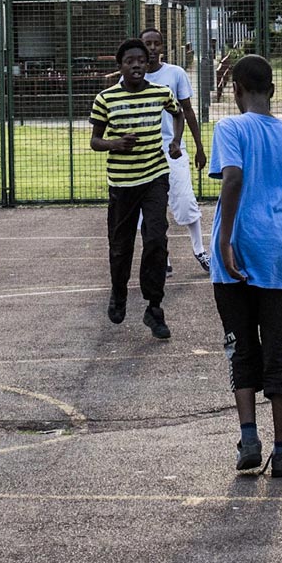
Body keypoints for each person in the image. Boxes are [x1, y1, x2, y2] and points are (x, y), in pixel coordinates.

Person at [208, 53, 282, 477]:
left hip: (233, 252)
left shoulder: (230, 127)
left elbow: (232, 178)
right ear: (272, 89)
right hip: (278, 256)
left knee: (241, 346)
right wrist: (279, 235)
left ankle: (248, 438)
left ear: (235, 90)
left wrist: (226, 239)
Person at [89, 38, 182, 338]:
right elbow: (95, 141)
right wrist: (116, 144)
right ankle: (119, 292)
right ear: (121, 67)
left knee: (156, 239)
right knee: (121, 246)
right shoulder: (106, 99)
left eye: (141, 60)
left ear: (148, 64)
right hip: (122, 183)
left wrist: (176, 141)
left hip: (155, 176)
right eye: (130, 61)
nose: (137, 65)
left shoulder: (161, 93)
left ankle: (154, 308)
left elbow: (178, 113)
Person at [135, 27, 209, 273]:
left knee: (186, 201)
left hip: (173, 150)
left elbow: (187, 111)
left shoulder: (175, 74)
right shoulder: (133, 78)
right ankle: (161, 256)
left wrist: (198, 146)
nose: (153, 48)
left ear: (163, 47)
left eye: (157, 43)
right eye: (148, 43)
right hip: (145, 154)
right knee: (150, 211)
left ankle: (200, 251)